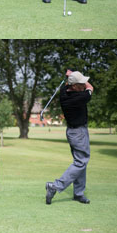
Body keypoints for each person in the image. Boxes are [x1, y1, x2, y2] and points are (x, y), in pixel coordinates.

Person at [45, 70, 94, 205]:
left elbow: (68, 83)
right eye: (81, 83)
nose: (84, 85)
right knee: (81, 162)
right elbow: (91, 87)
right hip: (78, 133)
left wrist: (71, 75)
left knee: (80, 162)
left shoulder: (64, 91)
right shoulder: (79, 97)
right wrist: (73, 76)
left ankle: (78, 193)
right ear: (74, 86)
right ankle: (55, 186)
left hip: (73, 132)